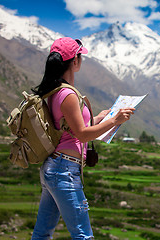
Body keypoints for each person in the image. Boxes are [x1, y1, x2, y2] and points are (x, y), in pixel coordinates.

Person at [31, 37, 135, 240]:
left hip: (54, 167)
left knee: (42, 233)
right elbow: (82, 134)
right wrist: (115, 120)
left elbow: (70, 127)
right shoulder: (68, 94)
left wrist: (99, 118)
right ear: (74, 61)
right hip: (65, 171)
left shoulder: (54, 91)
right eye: (80, 56)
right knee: (83, 235)